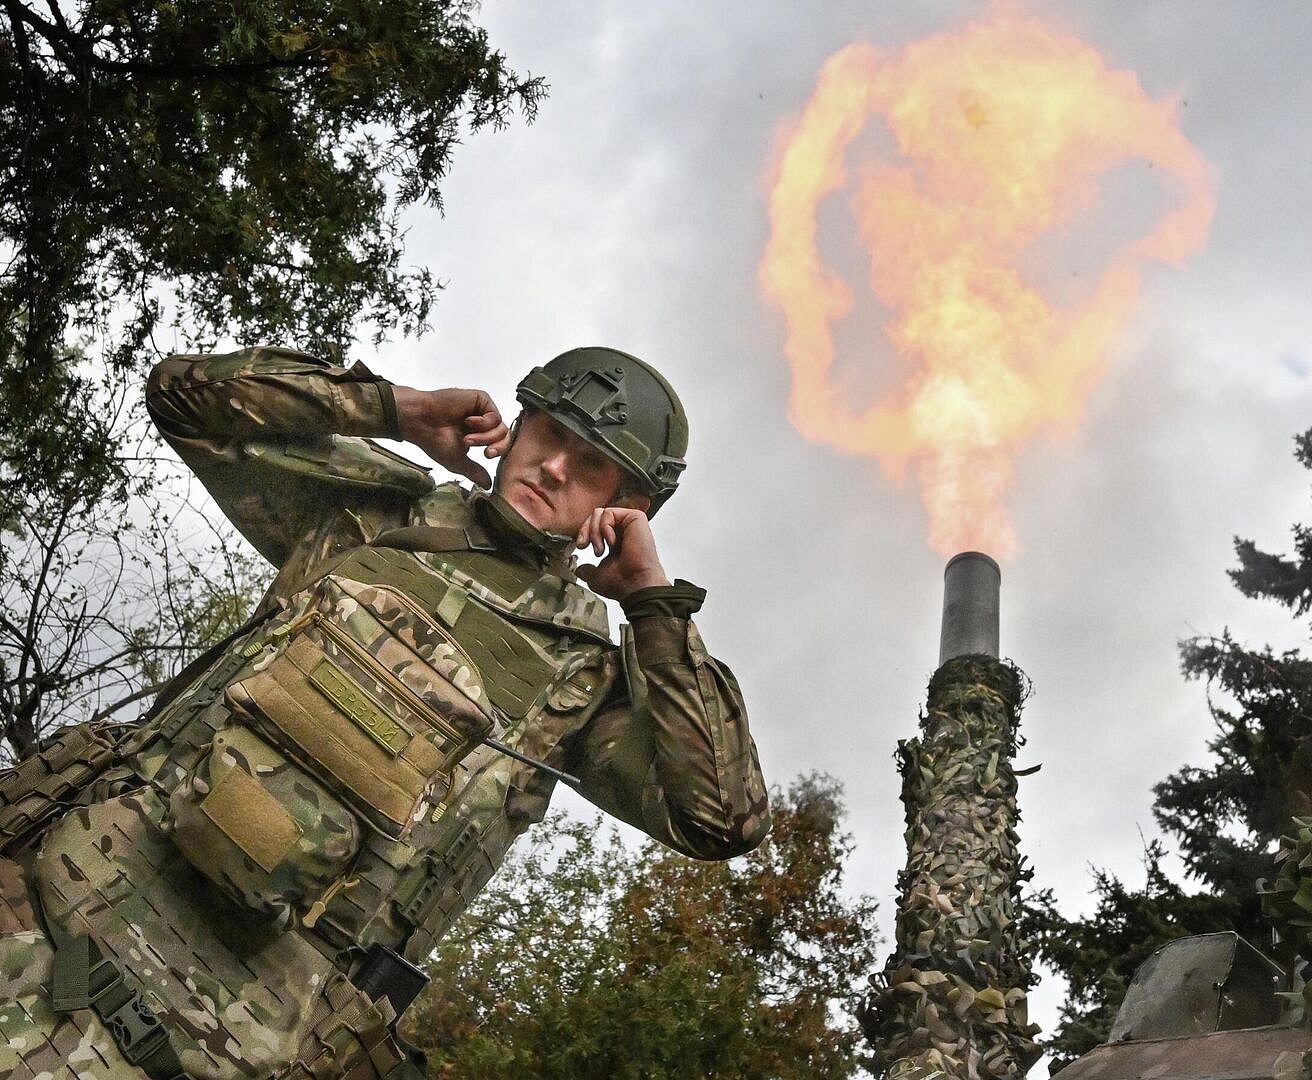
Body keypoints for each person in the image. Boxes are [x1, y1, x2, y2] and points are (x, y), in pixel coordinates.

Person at [0, 345, 768, 1079]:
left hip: (224, 1037)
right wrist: (396, 408)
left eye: (591, 464)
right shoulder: (379, 509)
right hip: (50, 905)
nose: (555, 466)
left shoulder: (585, 678)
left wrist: (654, 605)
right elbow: (183, 398)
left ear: (626, 506)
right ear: (518, 426)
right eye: (549, 434)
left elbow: (721, 819)